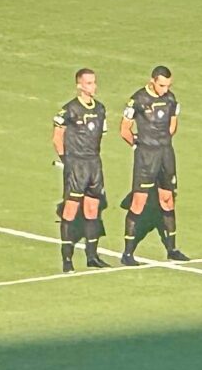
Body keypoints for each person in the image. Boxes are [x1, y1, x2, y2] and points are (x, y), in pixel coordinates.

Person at [120, 64, 187, 264]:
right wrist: (137, 146)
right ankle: (127, 253)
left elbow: (173, 123)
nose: (165, 90)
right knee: (139, 202)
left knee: (167, 199)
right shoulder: (138, 100)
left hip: (166, 153)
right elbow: (124, 129)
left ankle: (172, 249)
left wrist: (164, 139)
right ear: (152, 81)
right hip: (146, 156)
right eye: (162, 85)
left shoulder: (170, 98)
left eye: (168, 85)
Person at [53, 67, 111, 270]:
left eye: (94, 82)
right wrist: (66, 160)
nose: (92, 86)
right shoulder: (69, 110)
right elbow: (57, 137)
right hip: (76, 164)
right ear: (79, 85)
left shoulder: (100, 109)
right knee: (70, 209)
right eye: (88, 83)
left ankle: (92, 256)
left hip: (94, 163)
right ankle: (67, 260)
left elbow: (100, 136)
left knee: (93, 209)